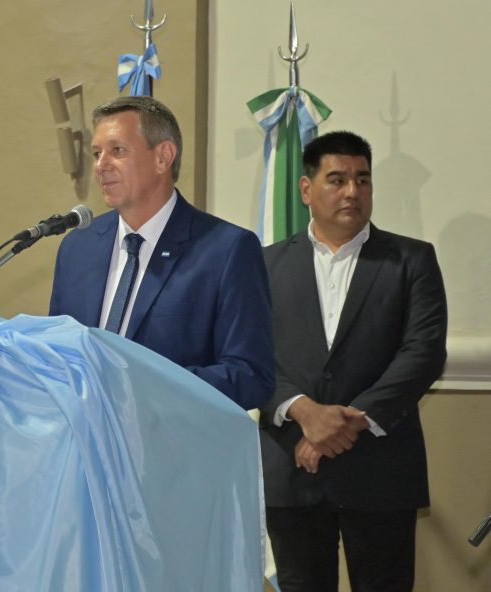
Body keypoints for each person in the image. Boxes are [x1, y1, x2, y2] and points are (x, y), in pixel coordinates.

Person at [258, 131, 447, 591]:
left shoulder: (411, 260)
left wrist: (347, 423)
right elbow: (249, 355)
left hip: (380, 470)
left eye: (362, 180)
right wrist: (305, 412)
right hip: (292, 469)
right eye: (337, 179)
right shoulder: (263, 265)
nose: (352, 192)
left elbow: (423, 354)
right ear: (306, 189)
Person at [49, 95, 274, 410]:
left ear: (163, 157)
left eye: (117, 151)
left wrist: (144, 387)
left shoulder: (226, 250)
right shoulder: (78, 247)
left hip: (172, 436)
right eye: (97, 153)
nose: (101, 166)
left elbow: (250, 376)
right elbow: (56, 353)